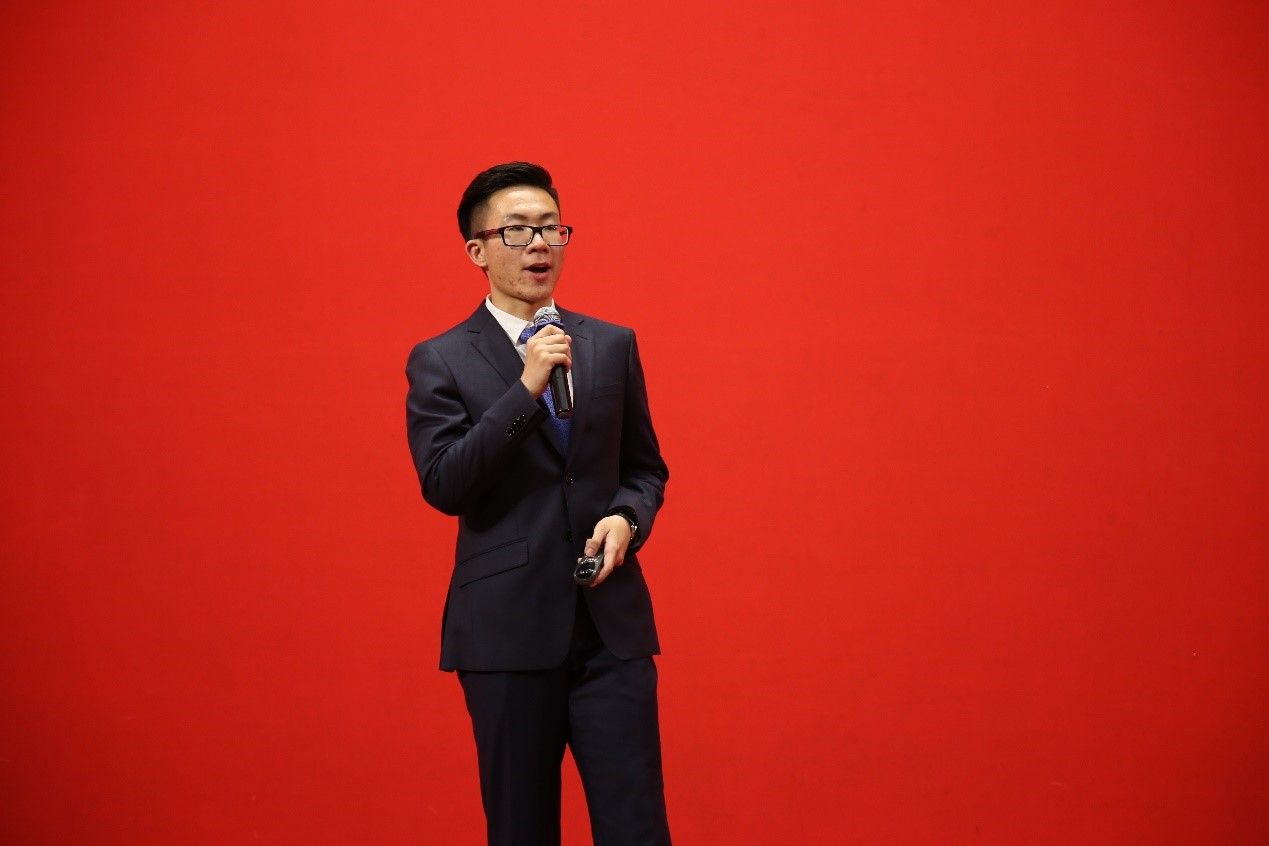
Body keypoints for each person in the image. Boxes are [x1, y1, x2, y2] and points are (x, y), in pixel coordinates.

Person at [405, 162, 672, 846]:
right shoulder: (440, 359)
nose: (539, 245)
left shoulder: (610, 344)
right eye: (518, 231)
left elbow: (643, 468)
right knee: (521, 829)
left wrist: (627, 518)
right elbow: (445, 483)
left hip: (610, 627)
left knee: (638, 828)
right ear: (477, 249)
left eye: (552, 228)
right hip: (506, 633)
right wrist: (523, 390)